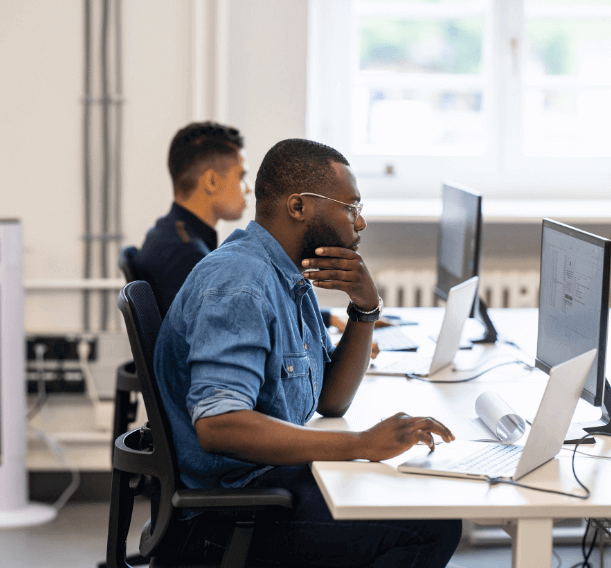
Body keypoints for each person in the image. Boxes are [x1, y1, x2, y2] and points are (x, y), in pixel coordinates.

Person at [154, 138, 462, 567]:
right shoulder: (241, 283)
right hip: (227, 520)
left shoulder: (287, 279)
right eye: (351, 207)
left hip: (265, 489)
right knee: (432, 526)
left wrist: (364, 307)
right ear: (298, 206)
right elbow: (219, 426)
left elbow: (331, 400)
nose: (361, 222)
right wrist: (361, 444)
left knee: (420, 503)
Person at [130, 121, 251, 317]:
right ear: (211, 181)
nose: (248, 188)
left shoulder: (165, 235)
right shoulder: (188, 256)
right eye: (241, 176)